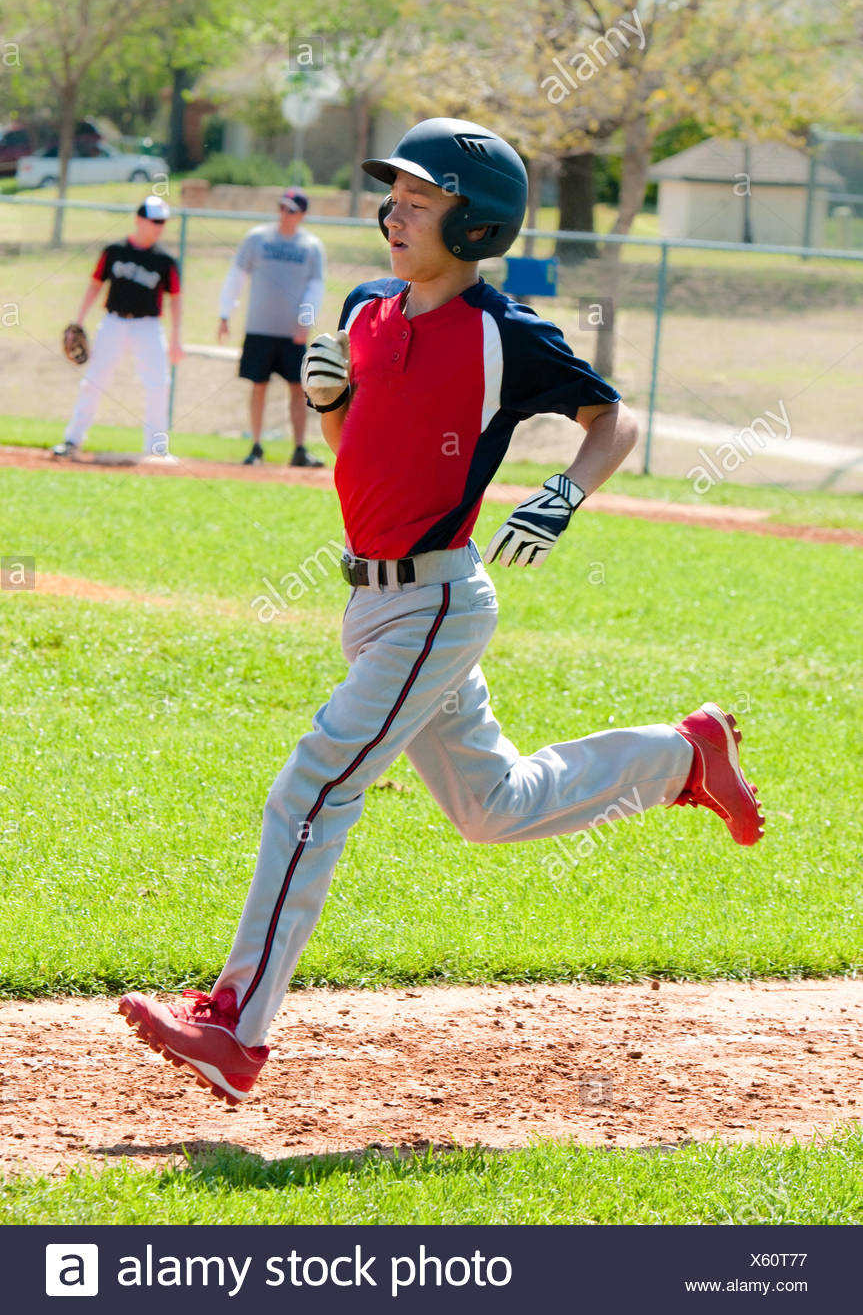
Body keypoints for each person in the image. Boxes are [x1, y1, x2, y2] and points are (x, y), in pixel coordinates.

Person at [119, 118, 763, 1104]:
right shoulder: (366, 306)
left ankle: (235, 1027)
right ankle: (682, 756)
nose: (394, 212)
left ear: (474, 225)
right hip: (375, 605)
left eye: (421, 200)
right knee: (492, 807)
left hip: (435, 602)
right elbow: (353, 455)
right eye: (394, 196)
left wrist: (564, 491)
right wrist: (328, 398)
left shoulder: (503, 332)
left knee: (311, 788)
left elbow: (612, 415)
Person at [52, 195, 183, 462]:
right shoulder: (114, 251)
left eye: (163, 222)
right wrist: (78, 320)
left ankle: (156, 448)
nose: (160, 226)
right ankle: (72, 440)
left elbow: (176, 300)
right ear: (139, 220)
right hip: (113, 323)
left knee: (159, 384)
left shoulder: (165, 261)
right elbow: (95, 285)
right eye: (155, 220)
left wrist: (176, 340)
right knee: (93, 381)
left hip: (148, 326)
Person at [217, 186, 325, 467]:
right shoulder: (257, 239)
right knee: (258, 386)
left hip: (293, 334)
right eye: (282, 208)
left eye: (291, 210)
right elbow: (236, 276)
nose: (285, 214)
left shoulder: (311, 247)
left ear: (302, 214)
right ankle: (255, 447)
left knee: (297, 389)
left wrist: (305, 322)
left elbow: (315, 288)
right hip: (259, 328)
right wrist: (225, 314)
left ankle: (299, 450)